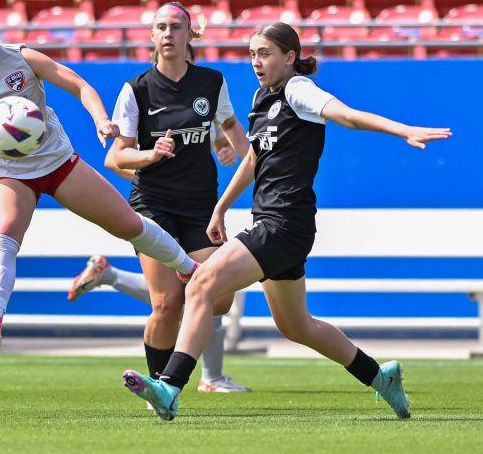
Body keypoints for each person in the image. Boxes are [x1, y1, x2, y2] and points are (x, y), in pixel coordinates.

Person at [122, 22, 452, 421]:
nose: (256, 62)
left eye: (264, 54)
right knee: (298, 326)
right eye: (251, 54)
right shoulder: (263, 97)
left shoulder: (299, 90)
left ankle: (170, 386)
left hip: (282, 224)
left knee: (202, 283)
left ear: (290, 57)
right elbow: (253, 158)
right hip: (281, 226)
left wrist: (402, 130)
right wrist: (221, 208)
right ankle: (380, 377)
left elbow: (346, 115)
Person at [0, 0, 201, 352]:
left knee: (127, 224)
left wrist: (99, 119)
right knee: (5, 231)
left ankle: (189, 269)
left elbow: (79, 85)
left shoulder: (23, 59)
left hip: (57, 163)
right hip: (5, 173)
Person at [68, 43, 250, 393]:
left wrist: (226, 149)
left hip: (199, 206)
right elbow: (114, 160)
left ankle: (112, 276)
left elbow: (220, 137)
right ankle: (166, 387)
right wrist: (151, 165)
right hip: (155, 205)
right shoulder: (140, 90)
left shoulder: (207, 97)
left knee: (216, 296)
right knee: (167, 302)